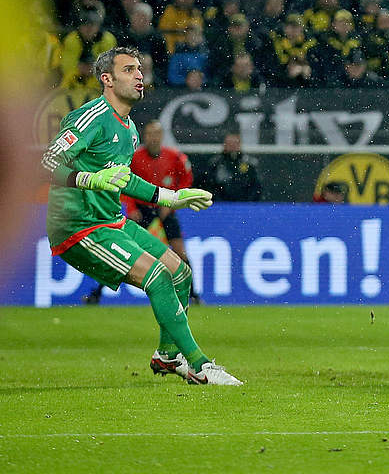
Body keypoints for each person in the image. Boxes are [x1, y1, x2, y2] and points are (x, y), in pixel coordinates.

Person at [39, 47, 239, 385]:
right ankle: (200, 365)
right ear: (107, 79)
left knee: (181, 274)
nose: (139, 75)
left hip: (112, 222)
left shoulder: (130, 129)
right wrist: (88, 179)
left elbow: (125, 179)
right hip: (80, 228)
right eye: (129, 69)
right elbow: (46, 164)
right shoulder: (90, 118)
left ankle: (166, 356)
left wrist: (172, 197)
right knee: (158, 276)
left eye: (140, 69)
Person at [83, 120, 202, 305]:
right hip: (141, 210)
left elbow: (186, 179)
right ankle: (96, 294)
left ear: (162, 136)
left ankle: (193, 295)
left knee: (180, 252)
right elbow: (124, 183)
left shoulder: (175, 157)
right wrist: (131, 208)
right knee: (121, 251)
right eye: (149, 134)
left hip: (165, 209)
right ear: (143, 136)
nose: (153, 138)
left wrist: (171, 203)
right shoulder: (135, 158)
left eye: (156, 134)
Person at [199, 130, 264, 201]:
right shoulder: (215, 163)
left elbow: (256, 186)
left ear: (240, 145)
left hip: (245, 205)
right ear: (224, 145)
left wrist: (247, 203)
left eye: (235, 143)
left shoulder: (250, 163)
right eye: (229, 143)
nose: (232, 146)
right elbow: (209, 185)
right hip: (220, 205)